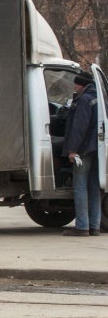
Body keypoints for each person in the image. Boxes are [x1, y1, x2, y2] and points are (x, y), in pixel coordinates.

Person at [63, 70, 102, 237]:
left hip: (83, 150)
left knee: (79, 187)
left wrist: (73, 150)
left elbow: (79, 128)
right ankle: (94, 226)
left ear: (81, 85)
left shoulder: (84, 100)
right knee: (94, 187)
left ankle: (82, 227)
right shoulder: (99, 98)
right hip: (97, 149)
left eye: (76, 84)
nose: (74, 87)